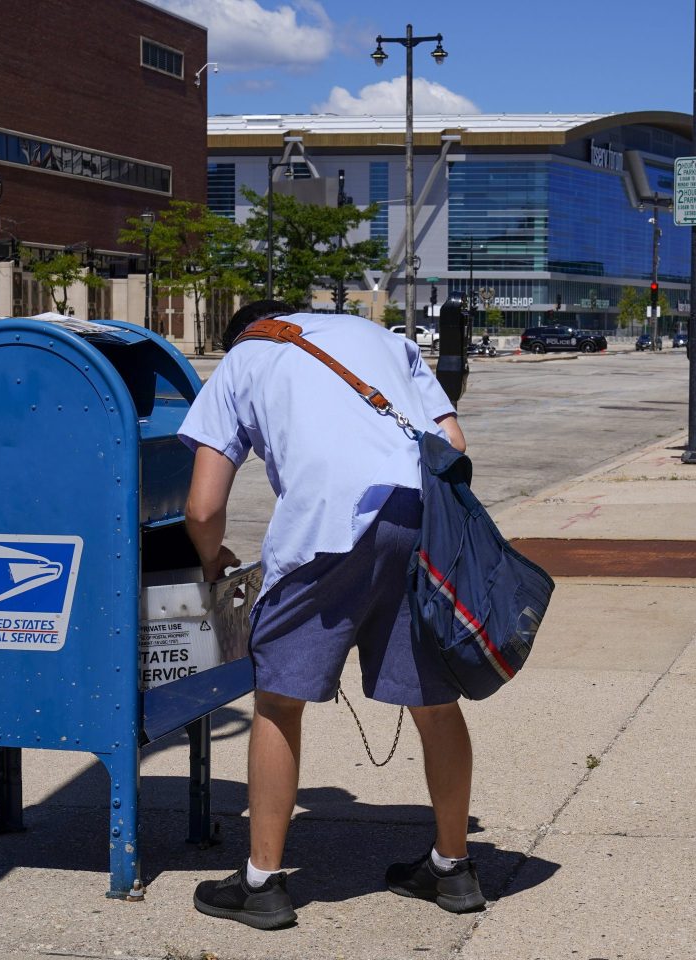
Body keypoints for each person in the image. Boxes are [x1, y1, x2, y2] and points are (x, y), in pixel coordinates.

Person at [179, 301, 481, 931]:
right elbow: (452, 442)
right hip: (415, 517)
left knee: (279, 701)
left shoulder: (243, 359)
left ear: (240, 334)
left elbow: (204, 507)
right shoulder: (379, 336)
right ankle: (453, 868)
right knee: (433, 699)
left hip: (323, 529)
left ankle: (261, 883)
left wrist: (211, 564)